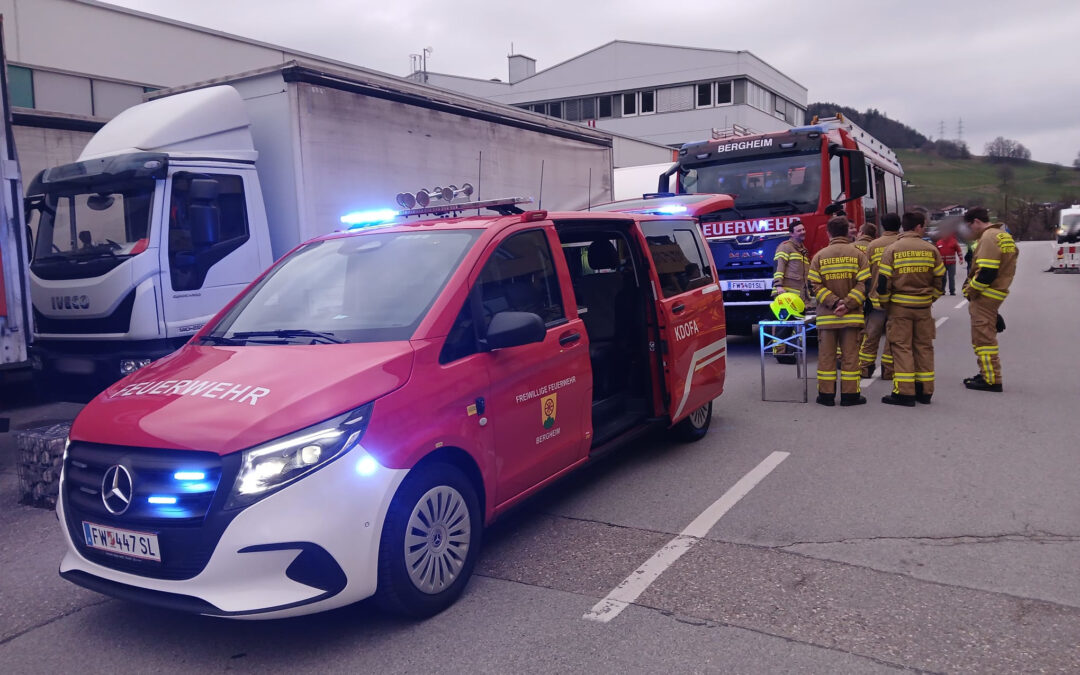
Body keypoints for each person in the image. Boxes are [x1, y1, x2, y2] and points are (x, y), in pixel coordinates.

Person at [877, 212, 945, 406]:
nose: (924, 229)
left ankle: (905, 393)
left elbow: (883, 283)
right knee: (924, 347)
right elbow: (940, 279)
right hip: (923, 307)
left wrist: (886, 304)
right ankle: (925, 391)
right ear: (917, 227)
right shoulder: (931, 249)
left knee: (901, 348)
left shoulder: (892, 250)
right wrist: (931, 297)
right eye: (923, 226)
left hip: (899, 308)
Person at [808, 216, 871, 406]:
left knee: (826, 357)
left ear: (828, 233)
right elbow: (864, 283)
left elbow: (815, 286)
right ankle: (850, 396)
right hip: (851, 317)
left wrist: (834, 303)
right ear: (847, 232)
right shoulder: (858, 255)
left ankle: (826, 396)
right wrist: (848, 303)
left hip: (827, 317)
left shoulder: (819, 256)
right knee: (850, 356)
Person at [961, 207, 1018, 392]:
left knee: (983, 340)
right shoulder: (1003, 235)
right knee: (984, 336)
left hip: (985, 295)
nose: (971, 232)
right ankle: (986, 372)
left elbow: (987, 273)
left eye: (970, 227)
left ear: (976, 221)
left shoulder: (988, 238)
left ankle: (991, 379)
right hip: (995, 294)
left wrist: (970, 291)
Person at [858, 213, 901, 379]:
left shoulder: (873, 245)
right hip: (896, 300)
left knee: (871, 335)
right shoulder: (902, 244)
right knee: (893, 337)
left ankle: (865, 368)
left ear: (883, 226)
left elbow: (865, 273)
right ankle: (888, 370)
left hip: (875, 298)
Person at [771, 219, 809, 363]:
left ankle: (791, 351)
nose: (803, 232)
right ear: (791, 234)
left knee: (795, 326)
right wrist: (778, 286)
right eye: (799, 230)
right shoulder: (785, 247)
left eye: (803, 229)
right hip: (786, 293)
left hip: (798, 296)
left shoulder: (802, 250)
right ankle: (781, 353)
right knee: (783, 324)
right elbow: (778, 267)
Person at [934, 229, 964, 295]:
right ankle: (942, 291)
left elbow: (959, 250)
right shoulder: (939, 242)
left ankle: (952, 291)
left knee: (951, 277)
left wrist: (961, 259)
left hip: (951, 264)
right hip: (942, 264)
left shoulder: (953, 241)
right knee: (943, 278)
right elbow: (936, 252)